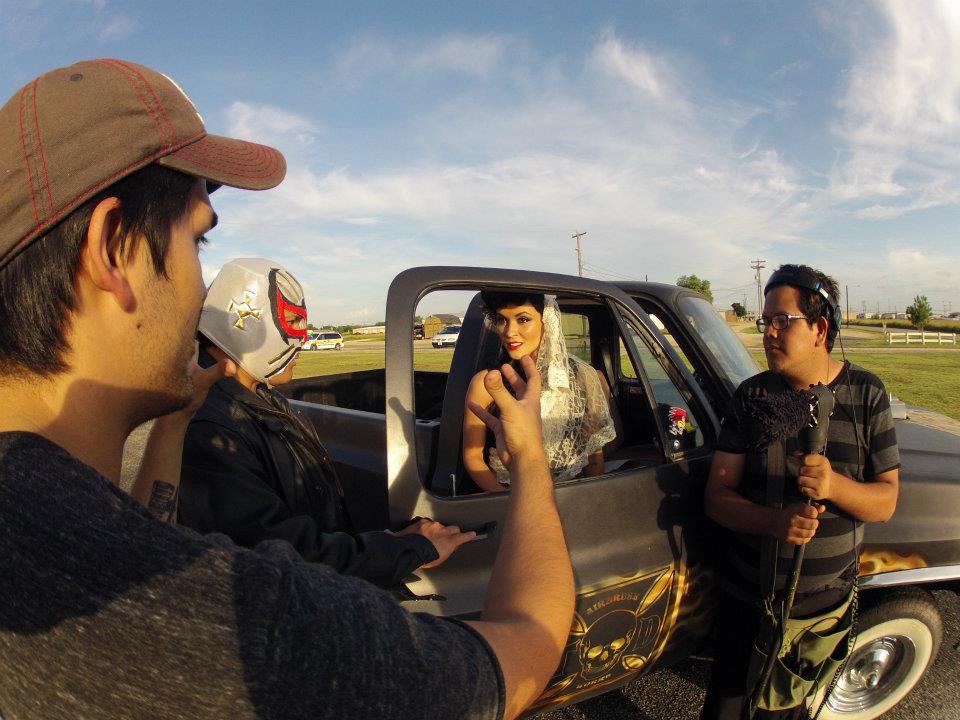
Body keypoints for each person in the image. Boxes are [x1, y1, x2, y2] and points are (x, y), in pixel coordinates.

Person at [0, 59, 574, 720]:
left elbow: (138, 528)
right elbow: (527, 649)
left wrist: (177, 423)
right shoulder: (227, 622)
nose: (199, 285)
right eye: (198, 238)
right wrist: (528, 458)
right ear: (113, 251)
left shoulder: (55, 523)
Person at [178, 258, 471, 587]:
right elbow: (278, 554)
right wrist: (404, 549)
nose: (302, 337)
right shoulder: (213, 426)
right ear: (244, 320)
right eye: (292, 320)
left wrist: (388, 541)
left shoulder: (261, 397)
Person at [700, 264, 900, 720]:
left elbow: (886, 501)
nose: (769, 332)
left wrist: (833, 485)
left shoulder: (868, 394)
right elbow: (717, 498)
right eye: (765, 321)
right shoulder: (751, 397)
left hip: (821, 615)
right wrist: (773, 521)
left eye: (781, 321)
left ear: (820, 328)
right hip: (750, 603)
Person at [463, 291, 619, 492]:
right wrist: (507, 503)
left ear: (547, 321)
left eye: (523, 319)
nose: (510, 331)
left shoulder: (582, 375)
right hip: (510, 496)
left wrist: (594, 499)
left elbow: (593, 453)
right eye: (502, 320)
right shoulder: (487, 383)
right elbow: (472, 457)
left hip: (573, 495)